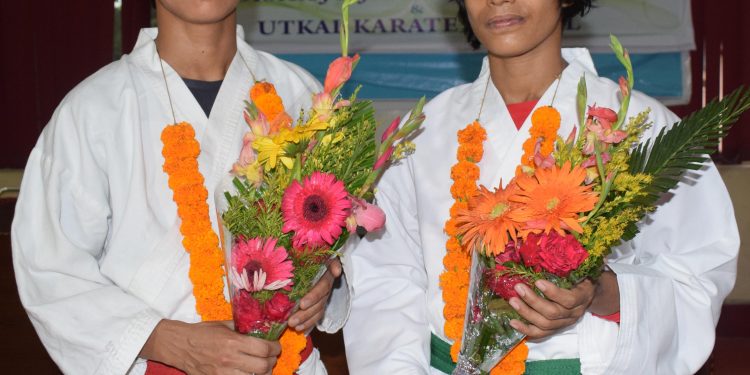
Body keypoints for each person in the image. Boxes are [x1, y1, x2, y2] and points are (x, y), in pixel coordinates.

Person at [343, 0, 739, 374]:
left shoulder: (640, 125)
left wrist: (601, 292)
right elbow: (386, 279)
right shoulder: (424, 131)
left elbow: (698, 273)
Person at [11, 1, 350, 374]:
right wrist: (166, 340)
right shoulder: (93, 111)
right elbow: (50, 271)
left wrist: (326, 280)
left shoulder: (301, 96)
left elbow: (347, 242)